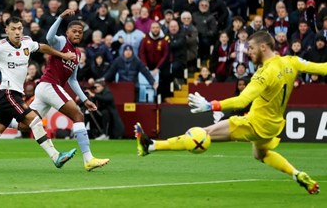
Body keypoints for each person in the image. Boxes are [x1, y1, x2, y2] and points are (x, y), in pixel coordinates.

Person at [135, 31, 323, 194]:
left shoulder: (263, 75)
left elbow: (242, 101)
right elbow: (322, 67)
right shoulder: (292, 61)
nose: (248, 52)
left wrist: (211, 106)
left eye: (251, 48)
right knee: (261, 154)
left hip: (254, 123)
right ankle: (296, 174)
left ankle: (151, 146)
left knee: (202, 134)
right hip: (274, 125)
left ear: (264, 47)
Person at [0, 16, 77, 168]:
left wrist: (62, 55)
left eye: (19, 28)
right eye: (13, 29)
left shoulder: (26, 42)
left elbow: (42, 47)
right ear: (6, 31)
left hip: (14, 94)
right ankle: (56, 156)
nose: (17, 32)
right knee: (34, 121)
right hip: (8, 93)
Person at [28, 9, 110, 172]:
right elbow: (49, 38)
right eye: (74, 31)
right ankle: (88, 159)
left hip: (46, 89)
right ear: (67, 33)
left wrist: (85, 99)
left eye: (80, 32)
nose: (78, 34)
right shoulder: (61, 42)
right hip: (49, 85)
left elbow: (72, 80)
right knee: (78, 115)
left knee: (25, 123)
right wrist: (59, 18)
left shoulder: (78, 54)